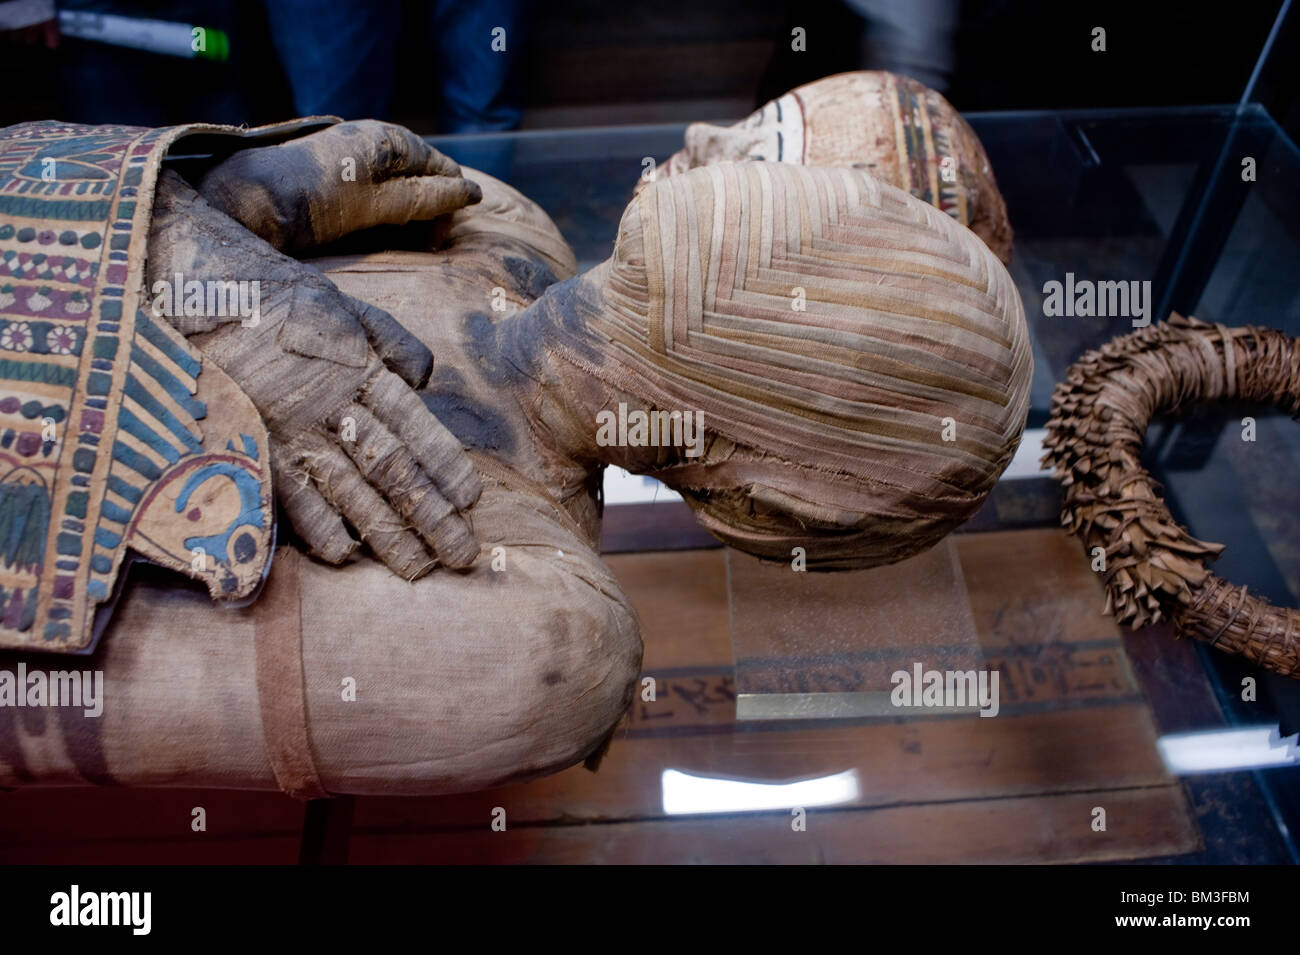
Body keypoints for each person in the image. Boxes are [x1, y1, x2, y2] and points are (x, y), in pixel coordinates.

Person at [0, 116, 1029, 795]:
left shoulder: (543, 635)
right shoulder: (502, 228)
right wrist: (194, 216)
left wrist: (179, 262)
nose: (791, 195)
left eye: (863, 284)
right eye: (847, 207)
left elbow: (38, 697)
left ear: (774, 500)